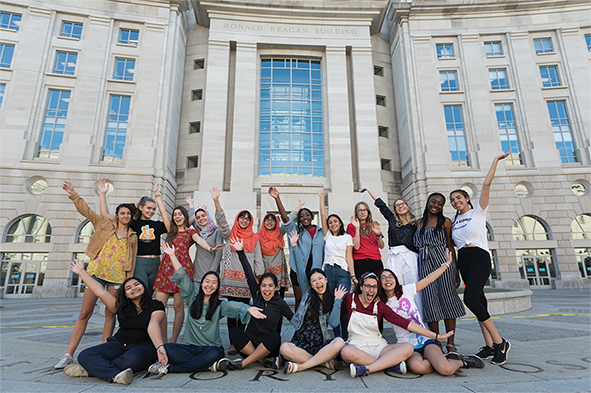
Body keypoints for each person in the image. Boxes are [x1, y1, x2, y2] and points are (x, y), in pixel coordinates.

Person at [147, 243, 266, 375]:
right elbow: (183, 276)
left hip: (211, 349)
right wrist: (172, 255)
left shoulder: (219, 305)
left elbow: (233, 305)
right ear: (202, 283)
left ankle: (173, 369)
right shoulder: (191, 298)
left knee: (217, 352)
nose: (210, 285)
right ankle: (206, 365)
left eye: (214, 282)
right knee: (168, 348)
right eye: (207, 281)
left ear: (217, 287)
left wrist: (248, 308)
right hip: (191, 348)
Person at [55, 181, 138, 370]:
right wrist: (74, 193)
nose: (125, 216)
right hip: (95, 274)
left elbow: (132, 260)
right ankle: (68, 354)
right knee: (85, 313)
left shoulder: (133, 235)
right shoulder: (104, 224)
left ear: (131, 217)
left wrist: (128, 282)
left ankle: (103, 351)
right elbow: (86, 211)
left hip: (117, 278)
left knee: (110, 314)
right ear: (117, 215)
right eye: (122, 213)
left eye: (128, 213)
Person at [450, 152, 512, 365]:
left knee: (470, 299)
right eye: (453, 200)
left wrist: (494, 161)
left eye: (459, 198)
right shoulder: (454, 220)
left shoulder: (478, 211)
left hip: (479, 257)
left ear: (467, 198)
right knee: (480, 301)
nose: (456, 201)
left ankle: (500, 342)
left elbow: (486, 186)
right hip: (464, 260)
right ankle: (488, 345)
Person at [379, 250, 485, 376]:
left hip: (425, 340)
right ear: (379, 283)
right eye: (383, 278)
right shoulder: (381, 304)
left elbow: (429, 279)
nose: (387, 279)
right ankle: (438, 360)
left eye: (390, 276)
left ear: (396, 280)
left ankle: (462, 362)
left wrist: (446, 265)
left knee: (447, 370)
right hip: (407, 346)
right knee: (419, 368)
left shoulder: (406, 290)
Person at [63, 260, 165, 384]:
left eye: (137, 284)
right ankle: (115, 375)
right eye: (128, 288)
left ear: (143, 285)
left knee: (130, 361)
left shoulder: (156, 305)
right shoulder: (120, 306)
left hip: (142, 347)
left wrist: (160, 347)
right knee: (85, 355)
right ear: (126, 294)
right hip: (117, 344)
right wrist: (81, 272)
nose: (134, 288)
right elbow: (100, 291)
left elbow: (153, 326)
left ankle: (90, 371)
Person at [341, 272, 453, 378]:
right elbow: (335, 319)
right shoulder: (350, 299)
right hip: (356, 346)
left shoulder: (380, 305)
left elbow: (405, 323)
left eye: (374, 286)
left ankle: (367, 368)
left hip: (378, 347)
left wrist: (435, 336)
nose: (371, 289)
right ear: (361, 287)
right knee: (345, 352)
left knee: (407, 347)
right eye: (368, 286)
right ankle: (390, 364)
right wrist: (337, 300)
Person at [153, 191, 223, 344]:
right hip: (165, 270)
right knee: (159, 308)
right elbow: (163, 212)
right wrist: (158, 196)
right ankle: (162, 340)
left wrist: (210, 248)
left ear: (185, 217)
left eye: (180, 214)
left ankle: (173, 341)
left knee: (179, 307)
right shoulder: (170, 230)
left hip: (182, 270)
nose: (177, 216)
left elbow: (200, 241)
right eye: (175, 214)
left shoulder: (191, 231)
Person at [280, 231, 348, 374]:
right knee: (284, 348)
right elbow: (299, 269)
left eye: (320, 278)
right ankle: (322, 362)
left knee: (340, 342)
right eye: (314, 280)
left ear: (326, 280)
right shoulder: (308, 293)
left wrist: (338, 301)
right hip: (301, 342)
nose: (317, 282)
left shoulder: (330, 298)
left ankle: (303, 365)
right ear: (310, 284)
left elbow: (334, 323)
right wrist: (293, 246)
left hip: (321, 343)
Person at [225, 238, 294, 371]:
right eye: (263, 286)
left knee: (275, 336)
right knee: (234, 331)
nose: (266, 289)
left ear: (275, 288)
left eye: (270, 286)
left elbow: (295, 321)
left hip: (268, 347)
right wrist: (240, 252)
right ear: (259, 287)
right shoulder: (256, 294)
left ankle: (244, 363)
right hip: (249, 344)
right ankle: (262, 360)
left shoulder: (281, 303)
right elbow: (249, 272)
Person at [211, 187, 263, 354]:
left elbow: (257, 258)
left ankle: (241, 341)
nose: (245, 220)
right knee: (232, 311)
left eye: (248, 219)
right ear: (238, 219)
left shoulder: (255, 237)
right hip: (232, 280)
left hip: (248, 281)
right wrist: (216, 201)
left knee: (245, 311)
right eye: (242, 217)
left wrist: (260, 278)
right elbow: (222, 222)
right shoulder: (230, 234)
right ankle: (233, 342)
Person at [414, 193, 465, 354]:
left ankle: (451, 342)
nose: (436, 205)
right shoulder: (418, 223)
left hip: (444, 265)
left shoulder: (446, 222)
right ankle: (436, 340)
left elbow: (450, 247)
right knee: (430, 302)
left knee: (448, 301)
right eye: (433, 201)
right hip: (424, 265)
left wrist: (456, 272)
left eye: (440, 203)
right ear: (427, 202)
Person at [99, 180, 167, 297]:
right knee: (141, 293)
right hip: (140, 262)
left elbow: (175, 226)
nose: (151, 211)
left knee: (150, 295)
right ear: (140, 207)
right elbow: (106, 215)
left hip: (156, 263)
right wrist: (102, 194)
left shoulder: (158, 225)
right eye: (148, 208)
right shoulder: (133, 223)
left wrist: (157, 196)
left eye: (153, 209)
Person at [361, 188, 422, 316]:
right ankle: (401, 318)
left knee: (413, 287)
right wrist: (368, 190)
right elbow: (380, 204)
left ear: (407, 206)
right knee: (395, 288)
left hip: (410, 256)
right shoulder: (392, 219)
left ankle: (419, 319)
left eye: (402, 204)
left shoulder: (415, 223)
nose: (400, 207)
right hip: (395, 256)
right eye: (397, 205)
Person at [270, 187, 325, 311]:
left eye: (307, 215)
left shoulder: (321, 232)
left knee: (315, 300)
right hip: (297, 269)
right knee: (300, 301)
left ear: (311, 217)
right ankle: (299, 328)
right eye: (301, 216)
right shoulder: (295, 230)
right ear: (298, 219)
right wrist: (277, 198)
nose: (305, 217)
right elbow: (285, 218)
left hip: (315, 270)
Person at [318, 187, 355, 338]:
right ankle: (336, 337)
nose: (332, 224)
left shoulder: (347, 237)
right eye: (330, 222)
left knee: (344, 304)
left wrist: (352, 276)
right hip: (328, 272)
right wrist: (321, 197)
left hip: (342, 273)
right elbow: (322, 214)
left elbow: (349, 257)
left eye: (335, 221)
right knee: (333, 305)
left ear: (340, 223)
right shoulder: (327, 235)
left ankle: (345, 337)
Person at [185, 197, 224, 283]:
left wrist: (211, 273)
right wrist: (191, 204)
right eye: (198, 218)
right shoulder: (198, 232)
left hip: (210, 273)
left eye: (203, 215)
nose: (201, 219)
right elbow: (190, 222)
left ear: (208, 215)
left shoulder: (217, 231)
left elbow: (219, 255)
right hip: (197, 274)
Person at [346, 201, 385, 278]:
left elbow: (381, 246)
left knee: (377, 287)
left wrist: (378, 234)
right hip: (360, 261)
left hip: (375, 260)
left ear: (368, 212)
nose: (363, 212)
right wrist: (357, 228)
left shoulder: (373, 225)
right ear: (356, 213)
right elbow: (356, 247)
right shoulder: (351, 226)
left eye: (365, 210)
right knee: (362, 287)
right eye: (360, 210)